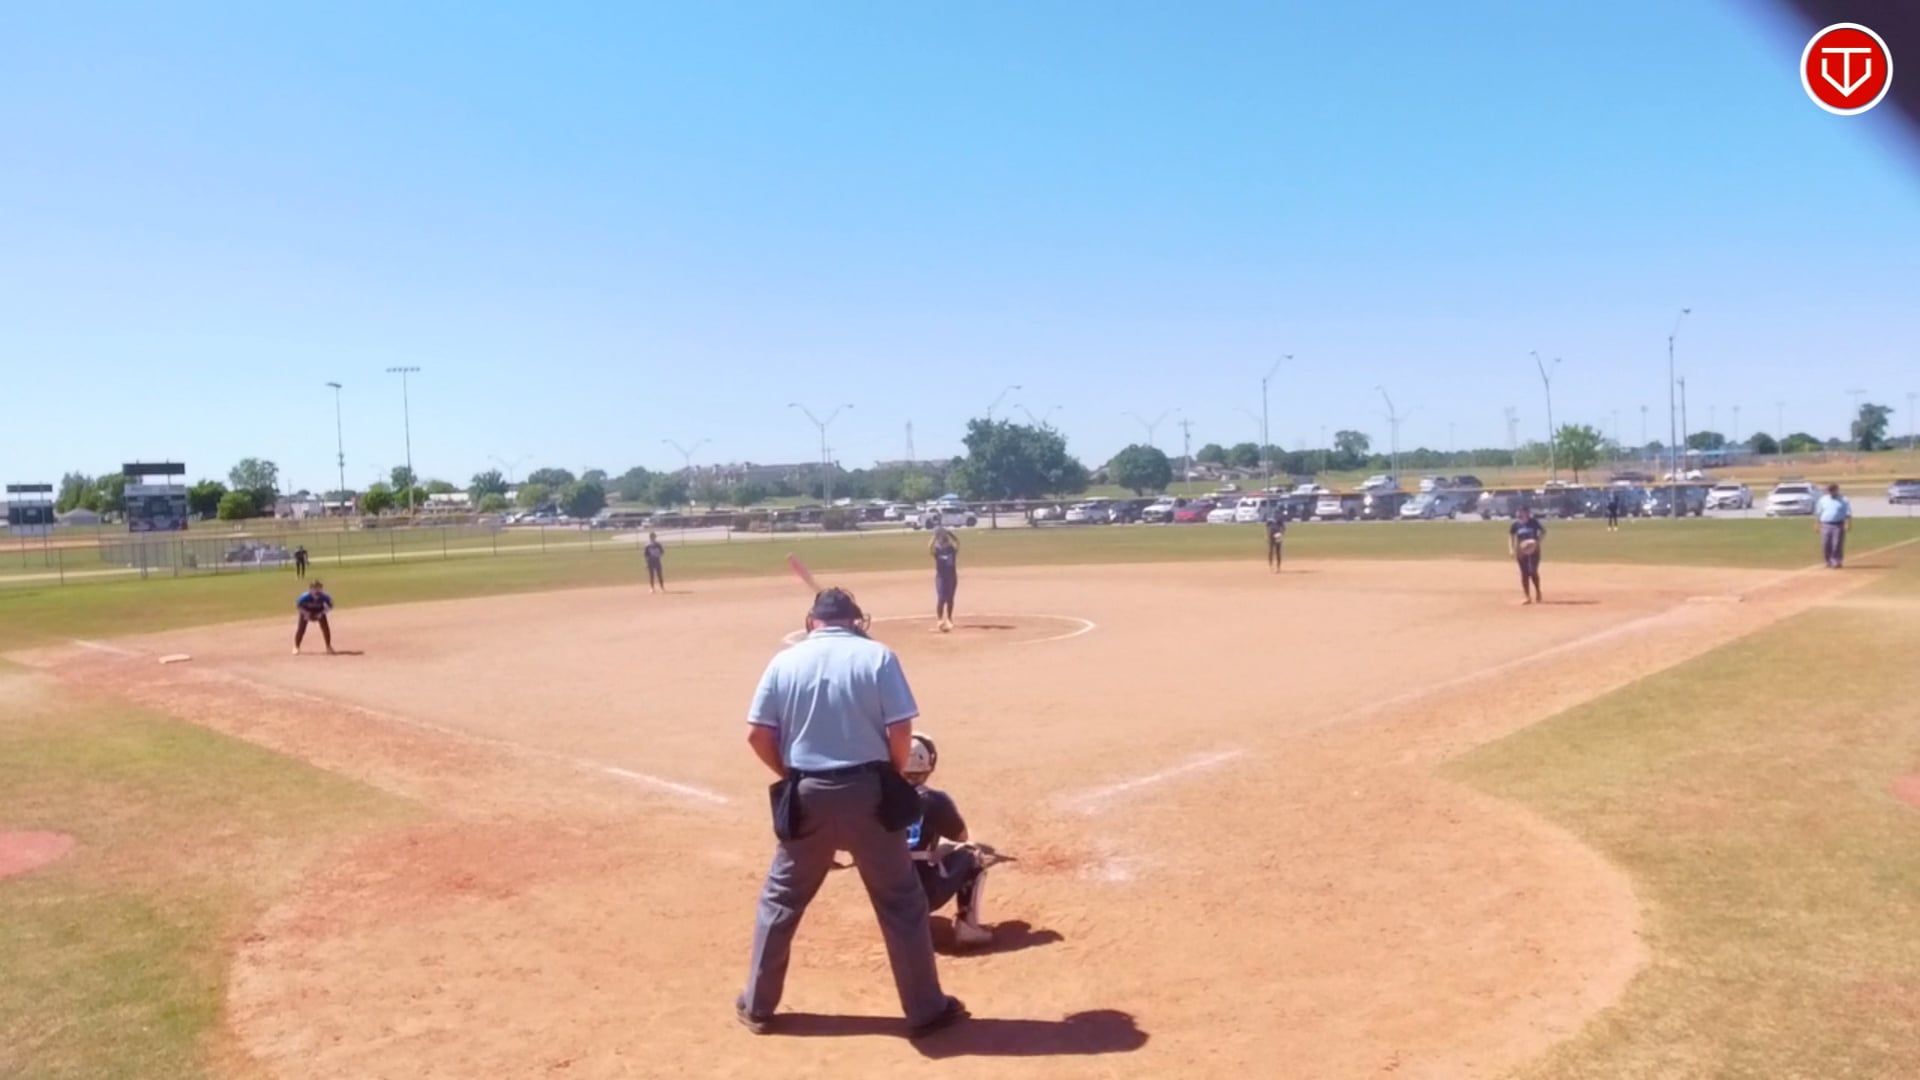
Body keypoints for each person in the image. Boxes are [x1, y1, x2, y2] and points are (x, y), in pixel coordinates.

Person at [737, 588, 966, 1039]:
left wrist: (791, 775)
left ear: (811, 622)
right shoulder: (877, 657)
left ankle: (758, 1006)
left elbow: (757, 735)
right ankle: (925, 1010)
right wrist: (891, 776)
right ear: (856, 621)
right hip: (869, 792)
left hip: (807, 791)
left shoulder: (784, 662)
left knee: (781, 899)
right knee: (900, 901)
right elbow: (901, 729)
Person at [902, 732, 995, 948]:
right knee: (972, 854)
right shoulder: (935, 800)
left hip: (886, 895)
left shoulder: (878, 796)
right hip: (922, 894)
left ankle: (897, 924)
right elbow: (961, 836)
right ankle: (968, 927)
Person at [1508, 507, 1546, 605]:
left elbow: (1543, 531)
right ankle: (1527, 596)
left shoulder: (1534, 522)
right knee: (1524, 573)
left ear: (1526, 512)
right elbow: (1511, 536)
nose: (1520, 513)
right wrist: (1511, 549)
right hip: (1521, 551)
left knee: (1533, 571)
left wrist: (1537, 542)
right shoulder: (1516, 524)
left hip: (1534, 551)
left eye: (1522, 512)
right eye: (1519, 512)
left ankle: (1538, 592)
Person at [1816, 483, 1852, 568]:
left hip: (1838, 524)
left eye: (1832, 490)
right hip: (1825, 524)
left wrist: (1848, 523)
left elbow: (1848, 512)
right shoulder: (1823, 499)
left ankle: (1836, 560)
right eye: (1829, 490)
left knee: (1836, 543)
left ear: (1836, 490)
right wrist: (1817, 523)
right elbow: (1818, 512)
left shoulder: (1844, 500)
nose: (1830, 492)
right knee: (1825, 544)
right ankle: (1828, 561)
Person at [294, 580, 335, 655]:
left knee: (325, 628)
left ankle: (328, 647)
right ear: (310, 589)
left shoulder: (324, 596)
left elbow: (330, 606)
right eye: (314, 588)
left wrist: (321, 613)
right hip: (306, 611)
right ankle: (296, 647)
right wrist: (305, 613)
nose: (316, 590)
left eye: (319, 588)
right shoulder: (304, 597)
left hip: (319, 611)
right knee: (301, 629)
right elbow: (298, 606)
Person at [930, 528, 959, 631]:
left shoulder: (951, 550)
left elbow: (957, 542)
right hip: (941, 577)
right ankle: (939, 619)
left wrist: (951, 534)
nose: (943, 539)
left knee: (950, 598)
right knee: (941, 598)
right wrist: (934, 536)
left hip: (951, 576)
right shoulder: (938, 551)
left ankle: (949, 619)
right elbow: (930, 547)